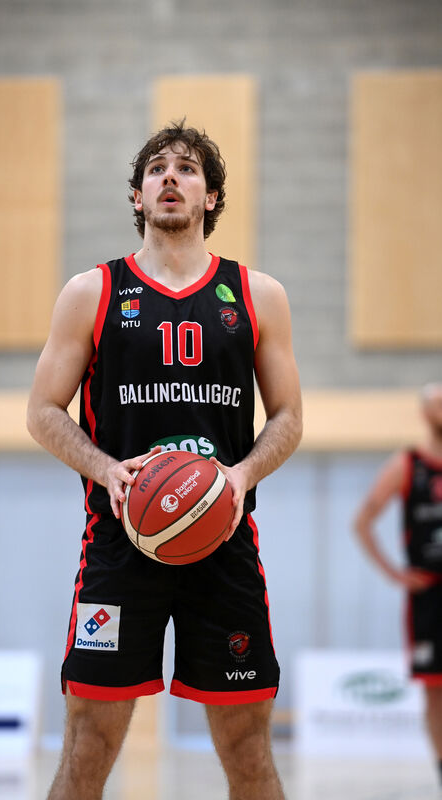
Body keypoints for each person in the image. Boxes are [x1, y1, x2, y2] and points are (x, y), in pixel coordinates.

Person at [27, 121, 302, 800]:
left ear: (211, 196)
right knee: (88, 746)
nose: (170, 177)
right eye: (156, 169)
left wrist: (241, 475)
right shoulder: (91, 291)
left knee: (248, 751)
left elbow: (288, 418)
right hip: (119, 547)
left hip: (224, 545)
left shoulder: (258, 294)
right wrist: (104, 469)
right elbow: (43, 411)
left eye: (186, 168)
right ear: (137, 195)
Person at [354, 384, 442, 786]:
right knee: (435, 692)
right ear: (425, 414)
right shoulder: (408, 464)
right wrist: (394, 574)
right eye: (437, 405)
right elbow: (363, 522)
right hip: (428, 595)